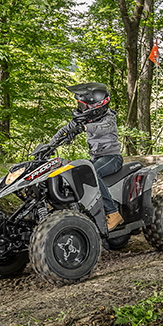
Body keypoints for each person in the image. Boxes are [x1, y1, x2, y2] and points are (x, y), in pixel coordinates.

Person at [48, 82, 125, 231]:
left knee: (92, 174)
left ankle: (112, 212)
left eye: (83, 105)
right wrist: (50, 145)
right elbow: (64, 130)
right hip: (96, 158)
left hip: (112, 158)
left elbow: (102, 128)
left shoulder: (109, 118)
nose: (80, 108)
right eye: (79, 104)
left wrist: (84, 128)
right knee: (72, 172)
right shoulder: (84, 119)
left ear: (96, 105)